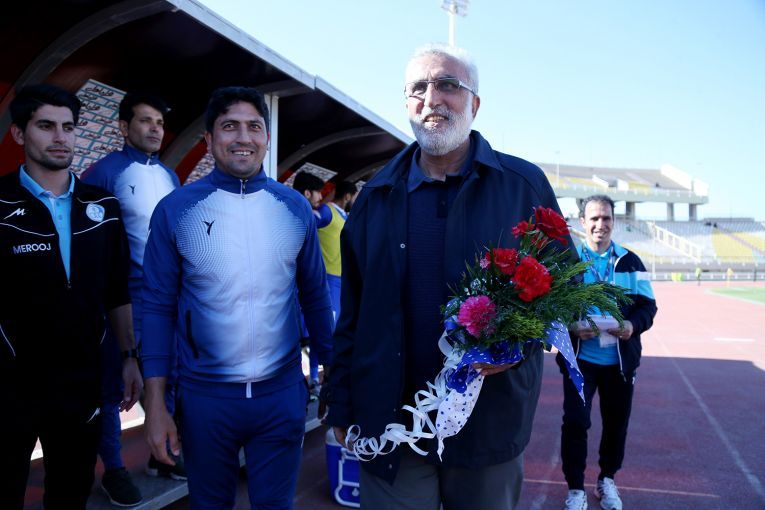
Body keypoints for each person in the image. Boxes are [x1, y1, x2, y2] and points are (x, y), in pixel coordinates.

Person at [325, 43, 570, 510]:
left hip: (488, 422)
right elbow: (353, 313)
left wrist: (516, 345)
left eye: (448, 85)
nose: (431, 98)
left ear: (475, 103)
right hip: (392, 424)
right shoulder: (375, 197)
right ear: (406, 103)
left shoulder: (523, 186)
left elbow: (564, 288)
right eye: (418, 88)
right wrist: (340, 402)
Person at [141, 86, 334, 508]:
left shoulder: (293, 207)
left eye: (254, 127)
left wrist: (334, 374)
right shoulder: (176, 209)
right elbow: (156, 308)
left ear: (267, 137)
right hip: (205, 400)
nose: (243, 137)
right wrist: (155, 404)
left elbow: (316, 297)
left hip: (281, 395)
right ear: (209, 139)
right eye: (229, 126)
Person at [0, 84, 141, 510]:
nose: (61, 137)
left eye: (69, 127)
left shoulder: (103, 206)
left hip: (82, 383)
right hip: (11, 384)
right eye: (46, 126)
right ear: (19, 134)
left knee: (70, 496)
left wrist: (129, 357)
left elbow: (117, 290)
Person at [81, 91, 182, 506]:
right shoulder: (102, 173)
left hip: (165, 298)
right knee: (111, 387)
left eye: (160, 122)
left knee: (167, 377)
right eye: (145, 121)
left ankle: (163, 455)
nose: (155, 129)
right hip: (120, 299)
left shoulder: (171, 176)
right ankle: (114, 470)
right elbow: (88, 242)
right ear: (124, 127)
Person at [560, 194, 657, 510]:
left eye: (606, 218)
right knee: (576, 423)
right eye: (594, 218)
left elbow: (648, 307)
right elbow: (550, 311)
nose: (600, 224)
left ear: (613, 221)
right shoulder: (569, 262)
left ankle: (607, 479)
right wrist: (572, 326)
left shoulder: (631, 261)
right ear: (582, 222)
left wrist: (631, 325)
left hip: (620, 362)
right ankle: (576, 489)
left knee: (616, 424)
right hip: (580, 361)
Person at [292, 171, 330, 393]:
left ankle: (310, 380)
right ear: (307, 193)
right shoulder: (303, 215)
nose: (320, 198)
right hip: (298, 295)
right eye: (318, 193)